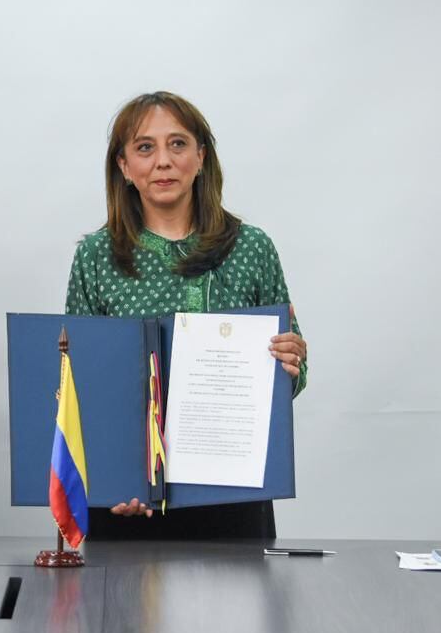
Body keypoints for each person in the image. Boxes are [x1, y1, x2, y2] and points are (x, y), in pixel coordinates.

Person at [65, 91, 307, 539]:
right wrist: (113, 478)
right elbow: (78, 384)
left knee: (239, 609)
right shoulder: (97, 255)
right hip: (128, 499)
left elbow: (293, 376)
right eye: (145, 147)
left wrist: (291, 361)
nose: (163, 161)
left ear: (201, 157)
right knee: (121, 610)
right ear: (123, 166)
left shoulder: (251, 247)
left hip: (232, 491)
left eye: (178, 144)